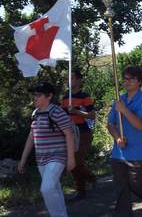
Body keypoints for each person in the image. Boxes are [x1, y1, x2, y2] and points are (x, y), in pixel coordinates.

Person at [107, 66, 142, 217]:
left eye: (131, 78)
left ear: (139, 81)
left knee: (136, 184)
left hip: (138, 151)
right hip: (119, 151)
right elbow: (110, 124)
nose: (127, 81)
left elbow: (141, 125)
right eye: (125, 78)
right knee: (121, 189)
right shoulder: (119, 100)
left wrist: (124, 110)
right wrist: (117, 137)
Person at [18, 82, 76, 217]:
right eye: (34, 95)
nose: (35, 98)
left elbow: (69, 133)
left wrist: (71, 158)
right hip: (41, 159)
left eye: (38, 95)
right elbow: (32, 136)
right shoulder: (35, 113)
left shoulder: (57, 111)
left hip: (57, 156)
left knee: (47, 188)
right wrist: (23, 160)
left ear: (49, 96)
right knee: (54, 188)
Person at [61, 69, 97, 201]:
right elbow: (62, 116)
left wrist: (76, 111)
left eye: (72, 78)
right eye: (67, 79)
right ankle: (88, 181)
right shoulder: (65, 98)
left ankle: (84, 186)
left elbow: (92, 116)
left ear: (78, 80)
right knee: (71, 162)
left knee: (76, 161)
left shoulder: (85, 96)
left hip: (83, 132)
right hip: (69, 133)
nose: (69, 81)